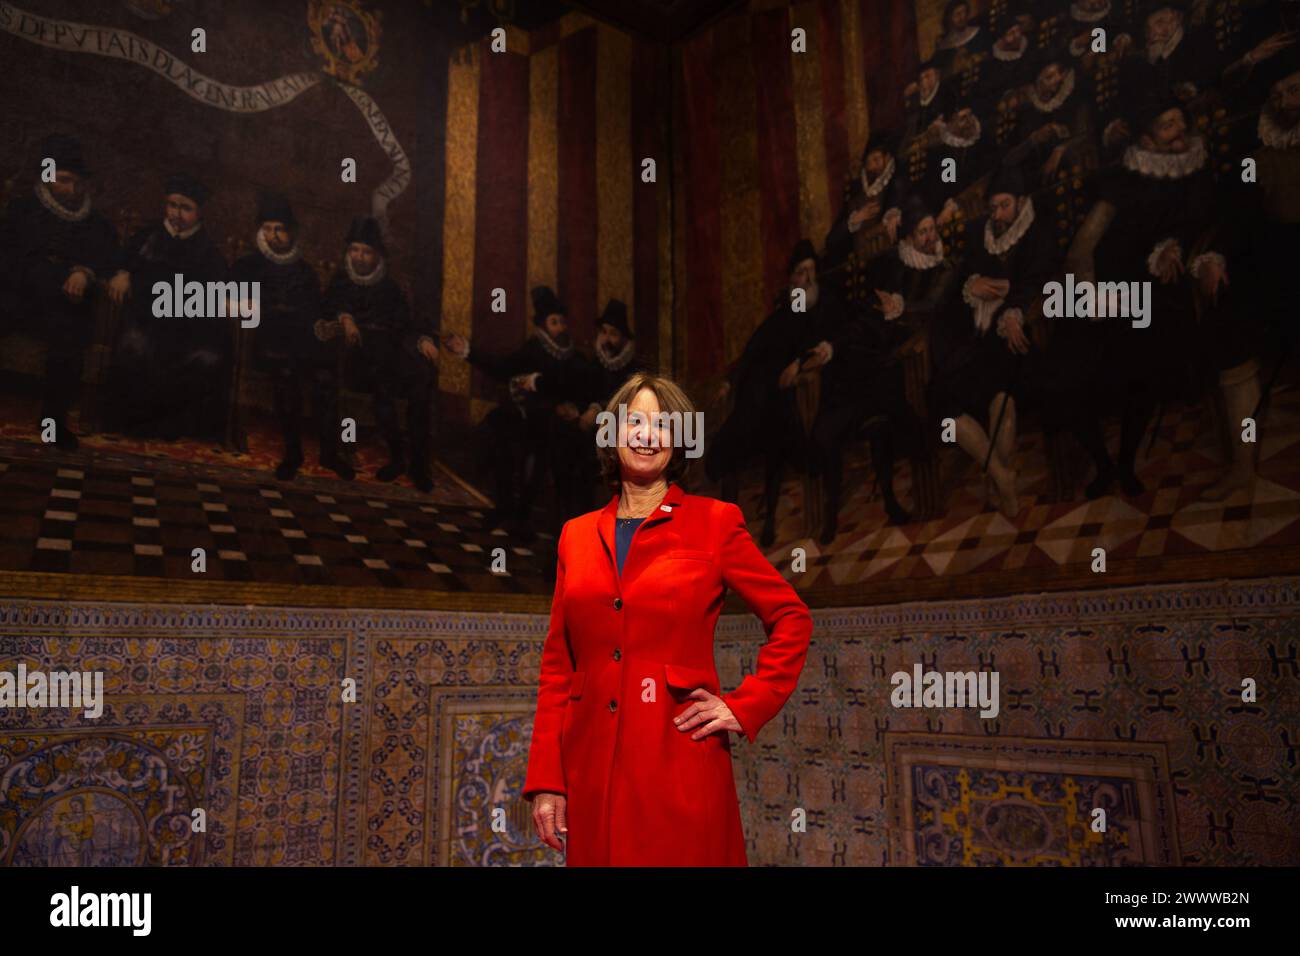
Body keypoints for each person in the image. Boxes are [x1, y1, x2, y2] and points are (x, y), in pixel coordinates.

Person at [523, 372, 813, 866]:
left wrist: (745, 705)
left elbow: (791, 616)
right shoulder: (574, 536)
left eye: (662, 425)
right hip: (592, 774)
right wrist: (548, 780)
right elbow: (558, 669)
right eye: (634, 421)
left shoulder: (715, 522)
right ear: (612, 433)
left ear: (678, 441)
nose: (645, 434)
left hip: (680, 769)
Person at [930, 164, 1056, 518]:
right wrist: (972, 286)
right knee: (943, 403)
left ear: (1020, 202)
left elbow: (1042, 282)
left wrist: (1009, 301)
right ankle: (1003, 475)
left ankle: (1000, 480)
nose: (998, 214)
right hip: (979, 339)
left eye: (1004, 206)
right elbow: (959, 282)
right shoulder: (978, 234)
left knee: (1003, 397)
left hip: (1023, 336)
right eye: (993, 208)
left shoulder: (1038, 232)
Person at [705, 239, 837, 546]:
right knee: (732, 443)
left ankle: (768, 522)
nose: (809, 278)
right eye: (802, 272)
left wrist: (797, 363)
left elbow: (817, 345)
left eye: (812, 272)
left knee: (777, 436)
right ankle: (729, 529)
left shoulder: (816, 313)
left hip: (781, 396)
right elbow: (752, 352)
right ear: (792, 278)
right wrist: (729, 381)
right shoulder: (779, 314)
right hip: (753, 394)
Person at [444, 285, 594, 538]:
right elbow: (503, 368)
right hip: (525, 417)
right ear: (543, 326)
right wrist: (467, 351)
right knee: (497, 432)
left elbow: (575, 387)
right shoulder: (532, 349)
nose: (560, 328)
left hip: (555, 422)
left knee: (542, 446)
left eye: (561, 322)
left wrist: (544, 387)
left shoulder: (575, 358)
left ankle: (523, 517)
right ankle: (503, 508)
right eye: (554, 322)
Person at [0, 134, 118, 449]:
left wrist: (84, 270)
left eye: (76, 183)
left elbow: (105, 255)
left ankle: (52, 423)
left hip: (64, 307)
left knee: (70, 336)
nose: (71, 189)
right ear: (47, 176)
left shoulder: (94, 222)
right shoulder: (22, 210)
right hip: (19, 296)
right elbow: (10, 257)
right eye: (63, 180)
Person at [231, 193, 353, 481]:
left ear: (290, 233)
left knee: (324, 377)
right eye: (268, 229)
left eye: (280, 229)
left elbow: (316, 312)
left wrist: (326, 325)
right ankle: (293, 452)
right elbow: (227, 297)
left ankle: (329, 454)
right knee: (287, 373)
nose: (274, 236)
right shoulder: (247, 265)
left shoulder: (304, 271)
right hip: (265, 342)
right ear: (260, 232)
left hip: (304, 343)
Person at [106, 173, 231, 441]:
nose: (177, 214)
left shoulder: (209, 252)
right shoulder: (146, 238)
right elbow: (123, 261)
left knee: (204, 359)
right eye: (173, 205)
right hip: (145, 321)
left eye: (186, 208)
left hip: (188, 330)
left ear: (199, 213)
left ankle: (173, 428)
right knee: (134, 345)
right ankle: (131, 423)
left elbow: (214, 299)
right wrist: (123, 271)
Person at [323, 216, 437, 491]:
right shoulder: (340, 281)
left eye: (366, 251)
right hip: (355, 358)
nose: (360, 257)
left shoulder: (389, 286)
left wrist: (422, 340)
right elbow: (327, 310)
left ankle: (418, 465)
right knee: (383, 387)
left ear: (376, 256)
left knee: (421, 381)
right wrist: (345, 318)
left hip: (390, 354)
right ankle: (398, 458)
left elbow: (404, 323)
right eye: (355, 250)